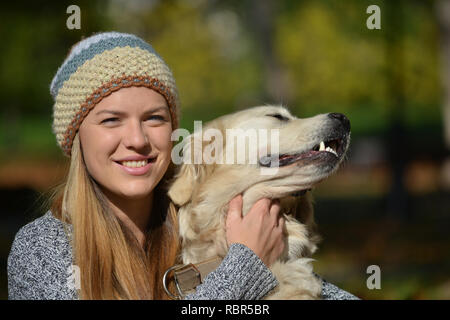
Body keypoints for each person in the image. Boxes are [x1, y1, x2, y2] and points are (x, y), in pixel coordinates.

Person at [7, 32, 358, 300]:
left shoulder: (197, 225)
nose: (138, 139)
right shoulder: (43, 248)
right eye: (111, 120)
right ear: (76, 139)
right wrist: (246, 266)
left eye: (154, 118)